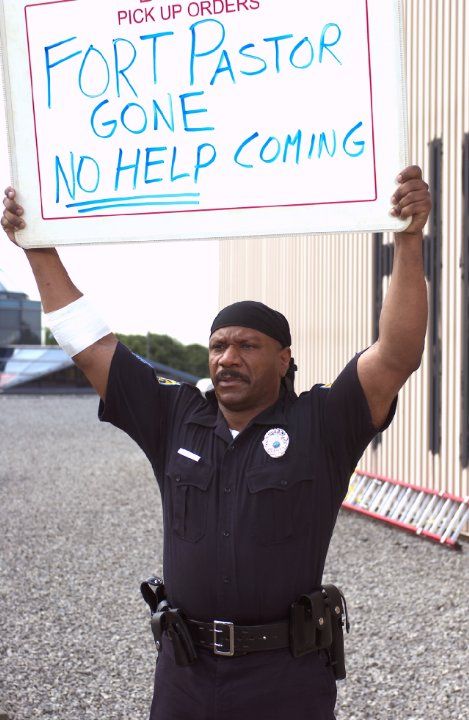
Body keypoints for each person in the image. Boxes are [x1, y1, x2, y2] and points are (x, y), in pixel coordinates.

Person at [1, 166, 431, 719]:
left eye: (247, 345)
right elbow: (91, 346)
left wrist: (408, 237)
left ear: (283, 359)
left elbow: (397, 355)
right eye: (218, 345)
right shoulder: (173, 416)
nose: (227, 357)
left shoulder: (322, 424)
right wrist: (37, 247)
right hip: (185, 674)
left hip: (286, 679)